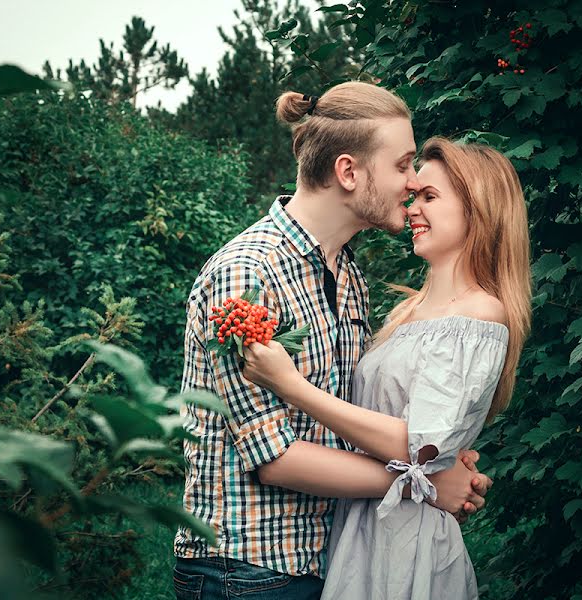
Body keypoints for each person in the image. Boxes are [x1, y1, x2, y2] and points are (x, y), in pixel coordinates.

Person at [172, 82, 494, 600]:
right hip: (247, 567)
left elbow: (344, 420)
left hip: (329, 557)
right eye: (403, 165)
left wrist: (442, 460)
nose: (412, 183)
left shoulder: (347, 275)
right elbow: (273, 456)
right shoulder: (247, 273)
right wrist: (421, 483)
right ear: (348, 172)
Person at [242, 137, 532, 599]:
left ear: (479, 211)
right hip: (360, 526)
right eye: (415, 195)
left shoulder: (480, 315)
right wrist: (443, 474)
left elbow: (422, 449)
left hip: (406, 542)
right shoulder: (406, 313)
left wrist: (291, 386)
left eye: (430, 197)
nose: (414, 207)